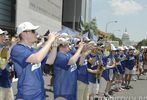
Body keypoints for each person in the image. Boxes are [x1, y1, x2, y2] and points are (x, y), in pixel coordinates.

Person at [10, 22, 58, 100]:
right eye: (33, 31)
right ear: (24, 33)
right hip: (27, 95)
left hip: (40, 93)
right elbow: (36, 59)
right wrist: (49, 41)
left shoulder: (33, 50)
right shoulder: (17, 49)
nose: (36, 33)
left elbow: (50, 61)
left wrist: (55, 45)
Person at [0, 29, 14, 100]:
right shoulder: (3, 49)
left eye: (4, 35)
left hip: (7, 82)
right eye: (2, 35)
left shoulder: (4, 48)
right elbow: (2, 66)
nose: (4, 37)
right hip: (2, 84)